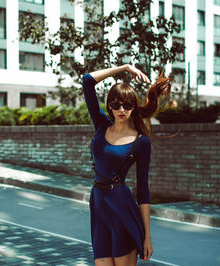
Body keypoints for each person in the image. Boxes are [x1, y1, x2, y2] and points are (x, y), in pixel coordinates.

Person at [82, 64, 171, 266]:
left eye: (128, 105)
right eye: (116, 105)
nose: (121, 110)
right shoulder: (101, 124)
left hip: (122, 207)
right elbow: (87, 81)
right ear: (109, 106)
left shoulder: (141, 142)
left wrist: (147, 236)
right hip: (98, 204)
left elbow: (143, 191)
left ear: (134, 107)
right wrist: (125, 67)